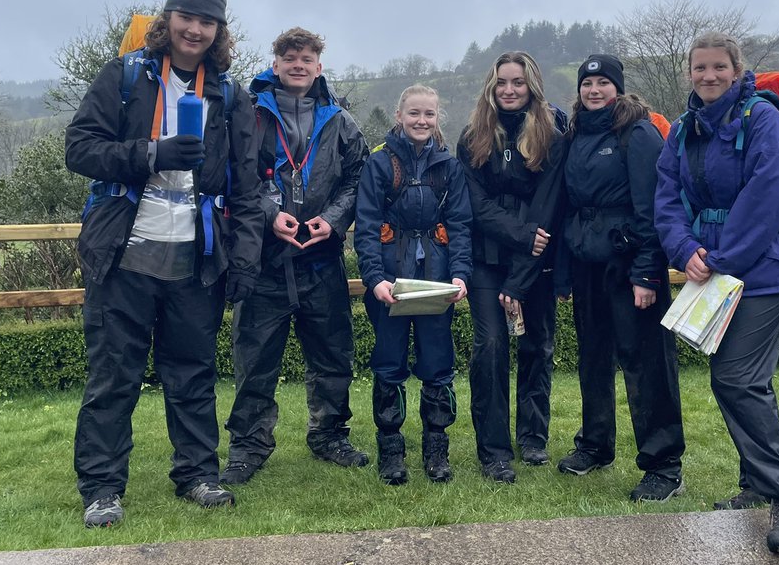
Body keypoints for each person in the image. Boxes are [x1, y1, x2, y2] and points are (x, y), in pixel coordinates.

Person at [66, 0, 264, 527]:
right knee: (113, 377)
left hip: (195, 261)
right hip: (123, 258)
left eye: (207, 22)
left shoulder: (232, 97)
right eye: (186, 16)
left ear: (218, 32)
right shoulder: (123, 77)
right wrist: (149, 155)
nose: (195, 30)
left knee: (193, 373)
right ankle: (102, 488)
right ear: (167, 18)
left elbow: (247, 187)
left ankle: (198, 475)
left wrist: (245, 259)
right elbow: (79, 148)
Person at [653, 32, 779, 553]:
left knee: (738, 380)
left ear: (736, 68)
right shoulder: (683, 131)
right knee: (737, 381)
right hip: (714, 271)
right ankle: (755, 484)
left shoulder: (762, 119)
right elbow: (667, 197)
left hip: (765, 271)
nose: (709, 75)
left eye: (719, 67)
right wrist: (683, 250)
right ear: (689, 72)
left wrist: (720, 258)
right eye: (700, 67)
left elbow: (770, 193)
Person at [223, 27, 370, 485]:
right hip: (263, 257)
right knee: (255, 359)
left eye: (307, 58)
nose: (299, 65)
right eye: (290, 58)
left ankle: (329, 435)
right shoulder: (248, 113)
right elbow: (234, 173)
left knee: (332, 354)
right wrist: (269, 214)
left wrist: (333, 219)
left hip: (320, 256)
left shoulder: (341, 121)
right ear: (276, 63)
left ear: (319, 66)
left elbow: (358, 178)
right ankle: (249, 446)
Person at [557, 54, 686, 501]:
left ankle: (663, 463)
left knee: (645, 362)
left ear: (618, 87)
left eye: (603, 83)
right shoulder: (573, 135)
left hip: (629, 261)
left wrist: (648, 273)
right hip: (586, 261)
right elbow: (566, 205)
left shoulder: (638, 132)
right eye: (587, 82)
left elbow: (652, 207)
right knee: (593, 358)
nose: (594, 90)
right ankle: (595, 444)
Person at [456, 52, 567, 483]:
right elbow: (475, 204)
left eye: (518, 82)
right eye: (502, 81)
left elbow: (550, 205)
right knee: (490, 349)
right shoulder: (472, 137)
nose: (509, 89)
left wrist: (522, 273)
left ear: (531, 86)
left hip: (537, 263)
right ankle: (494, 449)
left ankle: (533, 437)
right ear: (491, 85)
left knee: (537, 347)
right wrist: (520, 236)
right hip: (488, 261)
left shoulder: (554, 135)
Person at [354, 85, 473, 484]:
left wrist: (461, 273)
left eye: (429, 114)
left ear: (438, 118)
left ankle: (436, 450)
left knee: (437, 363)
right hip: (390, 281)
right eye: (414, 113)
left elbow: (460, 224)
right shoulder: (379, 163)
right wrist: (373, 279)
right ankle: (391, 450)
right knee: (389, 363)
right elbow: (367, 227)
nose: (421, 121)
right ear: (399, 115)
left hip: (436, 280)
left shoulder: (450, 166)